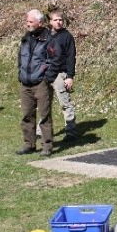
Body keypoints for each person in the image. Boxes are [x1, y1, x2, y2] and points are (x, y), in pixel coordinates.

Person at [16, 10, 61, 157]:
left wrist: (47, 78)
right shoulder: (26, 38)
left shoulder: (49, 39)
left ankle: (47, 145)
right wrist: (20, 74)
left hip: (41, 82)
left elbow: (55, 60)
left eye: (30, 22)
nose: (27, 24)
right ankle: (29, 144)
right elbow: (20, 58)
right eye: (27, 21)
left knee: (44, 115)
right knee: (27, 115)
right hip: (25, 82)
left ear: (40, 23)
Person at [50, 11, 77, 141]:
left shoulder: (67, 36)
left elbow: (71, 57)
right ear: (50, 22)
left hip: (61, 74)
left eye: (60, 20)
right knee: (44, 103)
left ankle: (71, 131)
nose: (58, 22)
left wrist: (70, 76)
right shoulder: (46, 36)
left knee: (65, 103)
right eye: (55, 20)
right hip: (46, 74)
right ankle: (41, 130)